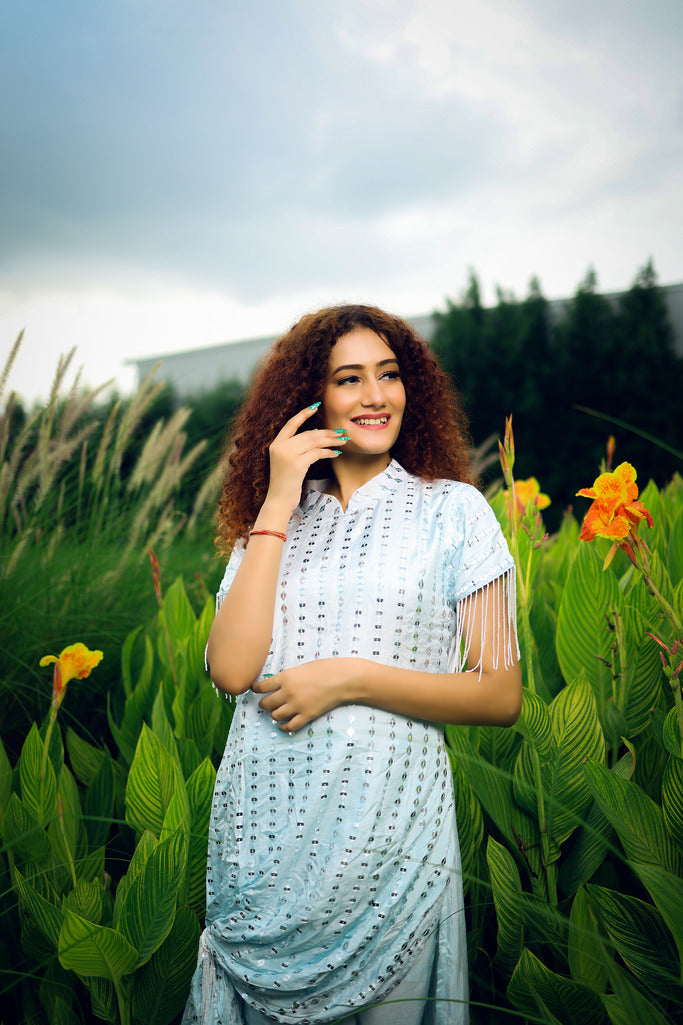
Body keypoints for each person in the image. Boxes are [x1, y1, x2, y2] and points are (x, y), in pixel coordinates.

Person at [182, 305, 521, 1025]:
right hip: (264, 846)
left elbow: (499, 692)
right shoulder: (268, 528)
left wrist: (347, 677)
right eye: (349, 378)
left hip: (391, 845)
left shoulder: (456, 513)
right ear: (310, 398)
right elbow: (232, 670)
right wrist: (277, 496)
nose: (375, 396)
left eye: (389, 375)